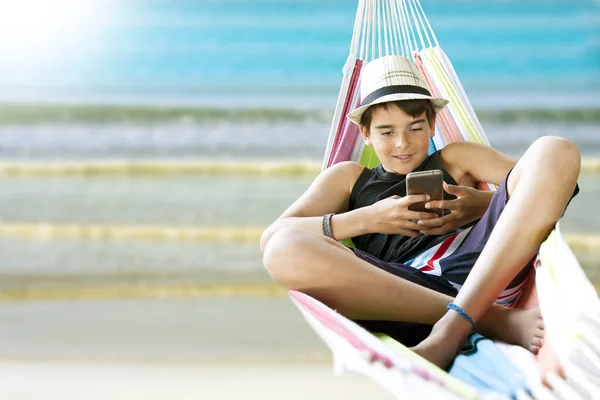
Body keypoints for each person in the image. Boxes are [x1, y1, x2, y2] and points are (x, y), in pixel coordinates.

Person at [260, 55, 580, 370]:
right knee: (284, 250)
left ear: (432, 126)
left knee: (555, 150)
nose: (403, 143)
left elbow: (558, 185)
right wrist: (368, 219)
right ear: (366, 135)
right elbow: (272, 239)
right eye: (386, 132)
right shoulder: (347, 179)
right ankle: (482, 318)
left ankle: (455, 325)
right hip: (401, 295)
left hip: (481, 270)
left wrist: (479, 204)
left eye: (415, 128)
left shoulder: (457, 158)